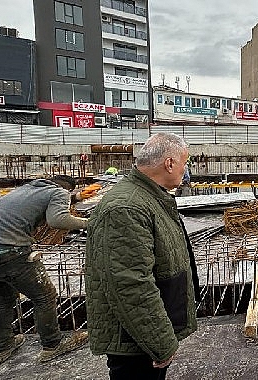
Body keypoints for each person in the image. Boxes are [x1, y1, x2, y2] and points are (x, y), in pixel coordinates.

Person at [85, 133, 200, 379]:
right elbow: (131, 284)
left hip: (142, 338)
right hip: (136, 344)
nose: (185, 169)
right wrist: (159, 342)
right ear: (169, 164)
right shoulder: (126, 207)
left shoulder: (149, 197)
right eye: (184, 162)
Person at [0, 175, 90, 365]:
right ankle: (53, 344)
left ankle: (3, 346)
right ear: (66, 189)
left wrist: (77, 198)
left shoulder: (26, 189)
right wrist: (88, 223)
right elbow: (58, 220)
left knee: (3, 298)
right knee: (44, 296)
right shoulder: (60, 192)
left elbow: (38, 205)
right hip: (11, 251)